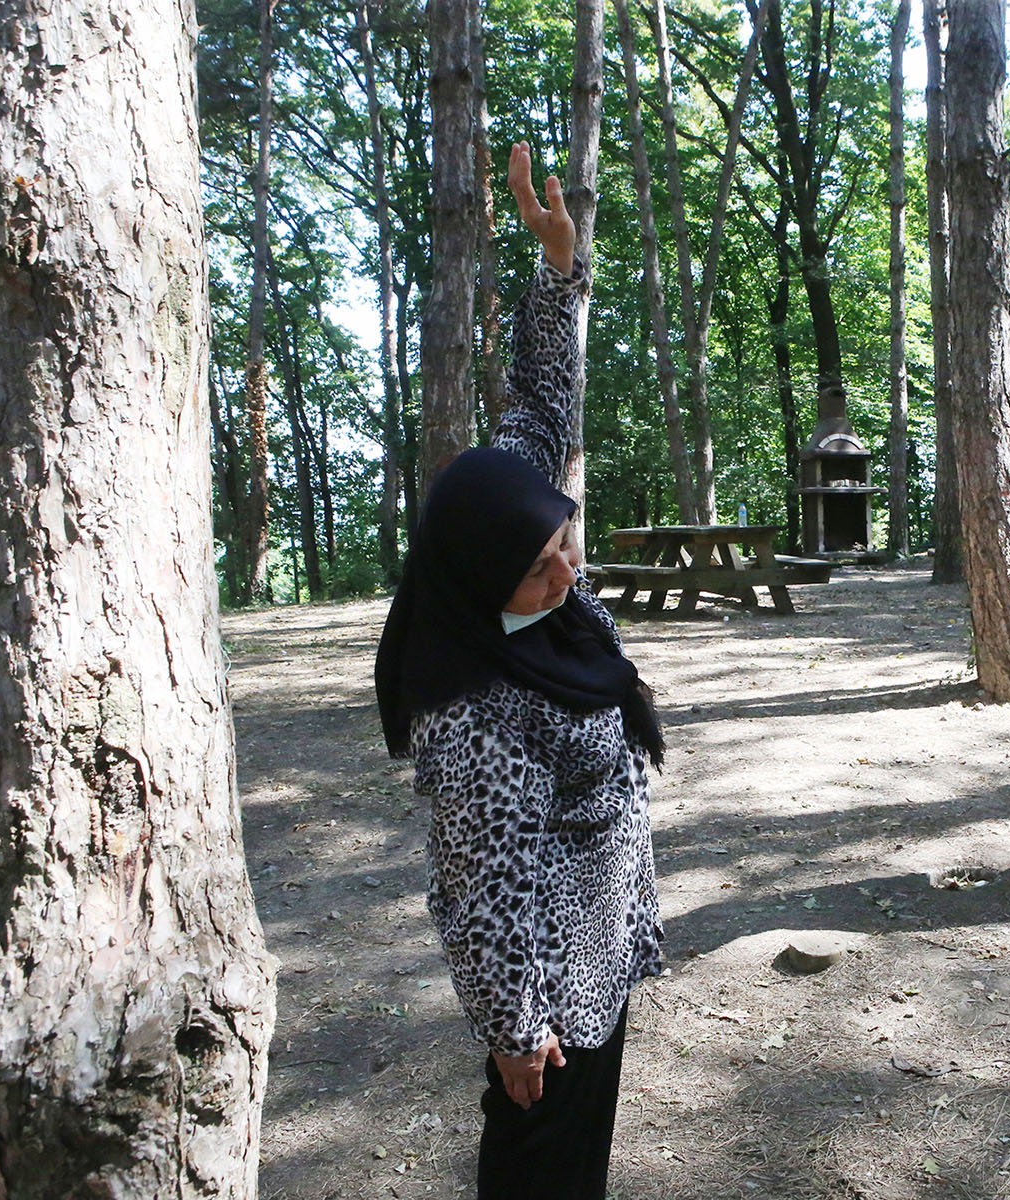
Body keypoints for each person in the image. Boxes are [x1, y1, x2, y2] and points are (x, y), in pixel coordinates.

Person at [374, 142, 663, 1200]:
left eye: (564, 539)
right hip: (554, 999)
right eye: (541, 563)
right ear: (485, 574)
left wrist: (555, 271)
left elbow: (539, 408)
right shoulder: (476, 713)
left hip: (601, 944)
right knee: (543, 1168)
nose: (568, 565)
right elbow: (483, 888)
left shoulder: (517, 544)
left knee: (575, 1170)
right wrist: (516, 1030)